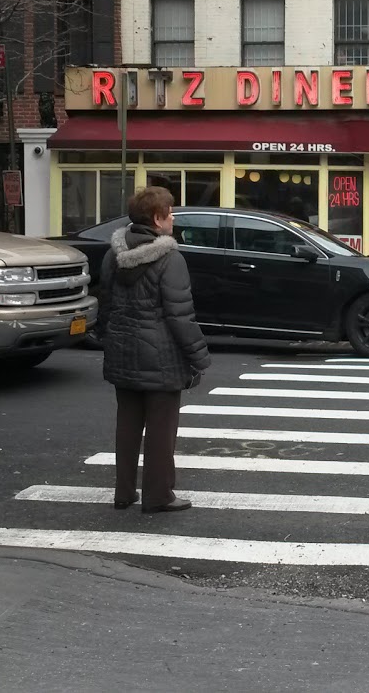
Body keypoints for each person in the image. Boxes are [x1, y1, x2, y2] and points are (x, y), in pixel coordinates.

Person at [100, 186, 212, 513]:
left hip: (122, 352)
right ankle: (158, 495)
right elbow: (180, 315)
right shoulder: (170, 258)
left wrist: (110, 340)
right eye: (170, 212)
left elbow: (106, 306)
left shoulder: (113, 255)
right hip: (161, 358)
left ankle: (124, 492)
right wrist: (198, 357)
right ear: (157, 218)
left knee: (127, 424)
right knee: (161, 431)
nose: (174, 217)